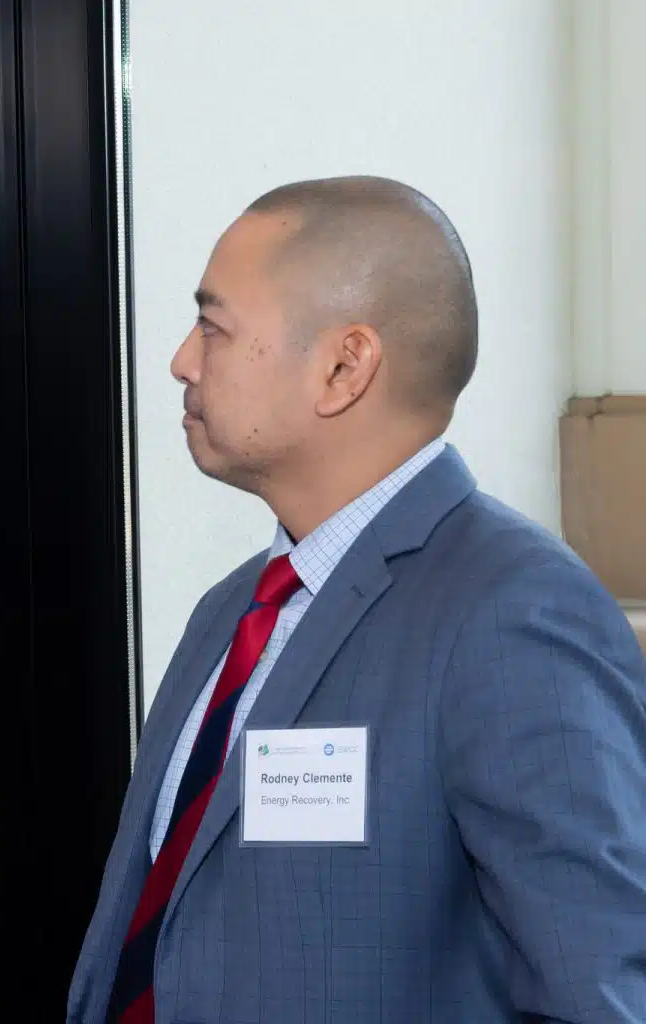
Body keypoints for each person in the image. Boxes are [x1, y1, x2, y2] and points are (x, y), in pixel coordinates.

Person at [69, 176, 646, 1023]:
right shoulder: (231, 613)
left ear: (344, 367)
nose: (182, 361)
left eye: (214, 327)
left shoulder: (513, 612)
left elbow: (596, 990)